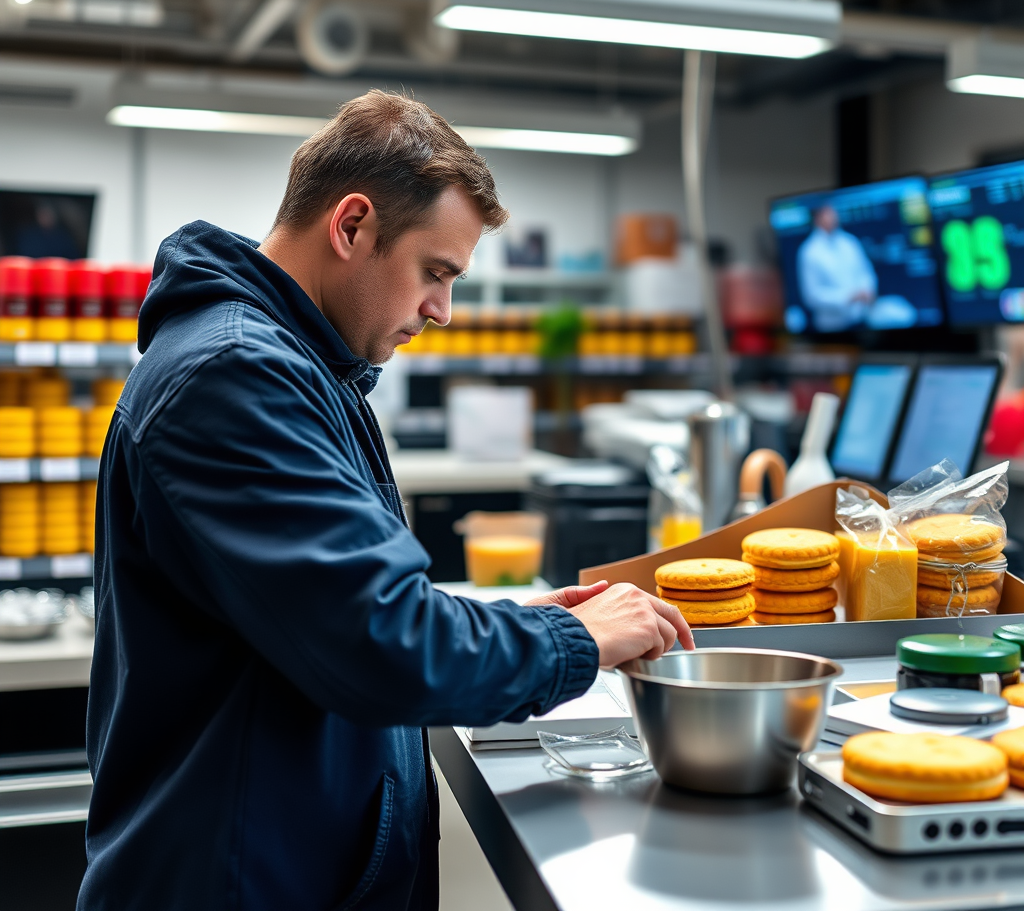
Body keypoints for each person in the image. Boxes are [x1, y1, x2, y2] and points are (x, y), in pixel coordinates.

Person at [77, 90, 691, 911]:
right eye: (435, 273)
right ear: (353, 224)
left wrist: (525, 621)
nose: (441, 310)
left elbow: (332, 609)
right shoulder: (234, 378)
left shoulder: (297, 368)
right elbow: (380, 645)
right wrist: (570, 640)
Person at [796, 204, 877, 332]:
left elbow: (866, 272)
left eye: (834, 213)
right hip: (832, 328)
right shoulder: (808, 251)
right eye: (827, 214)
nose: (833, 217)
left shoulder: (850, 242)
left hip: (861, 319)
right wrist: (848, 297)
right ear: (817, 218)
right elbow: (811, 296)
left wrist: (866, 290)